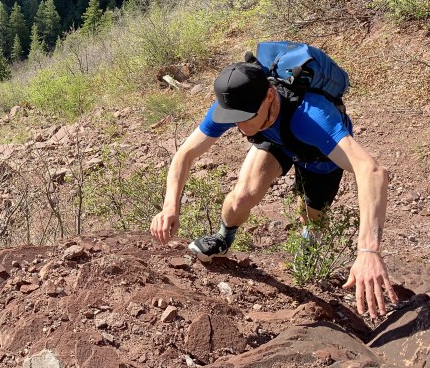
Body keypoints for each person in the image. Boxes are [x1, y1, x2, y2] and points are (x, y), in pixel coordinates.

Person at [150, 60, 398, 319]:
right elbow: (185, 155)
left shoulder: (313, 118)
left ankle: (308, 245)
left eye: (244, 117)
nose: (239, 126)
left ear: (269, 96)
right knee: (241, 197)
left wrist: (368, 251)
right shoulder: (235, 102)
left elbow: (373, 172)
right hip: (274, 139)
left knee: (312, 218)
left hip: (319, 155)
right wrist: (170, 207)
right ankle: (223, 238)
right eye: (232, 119)